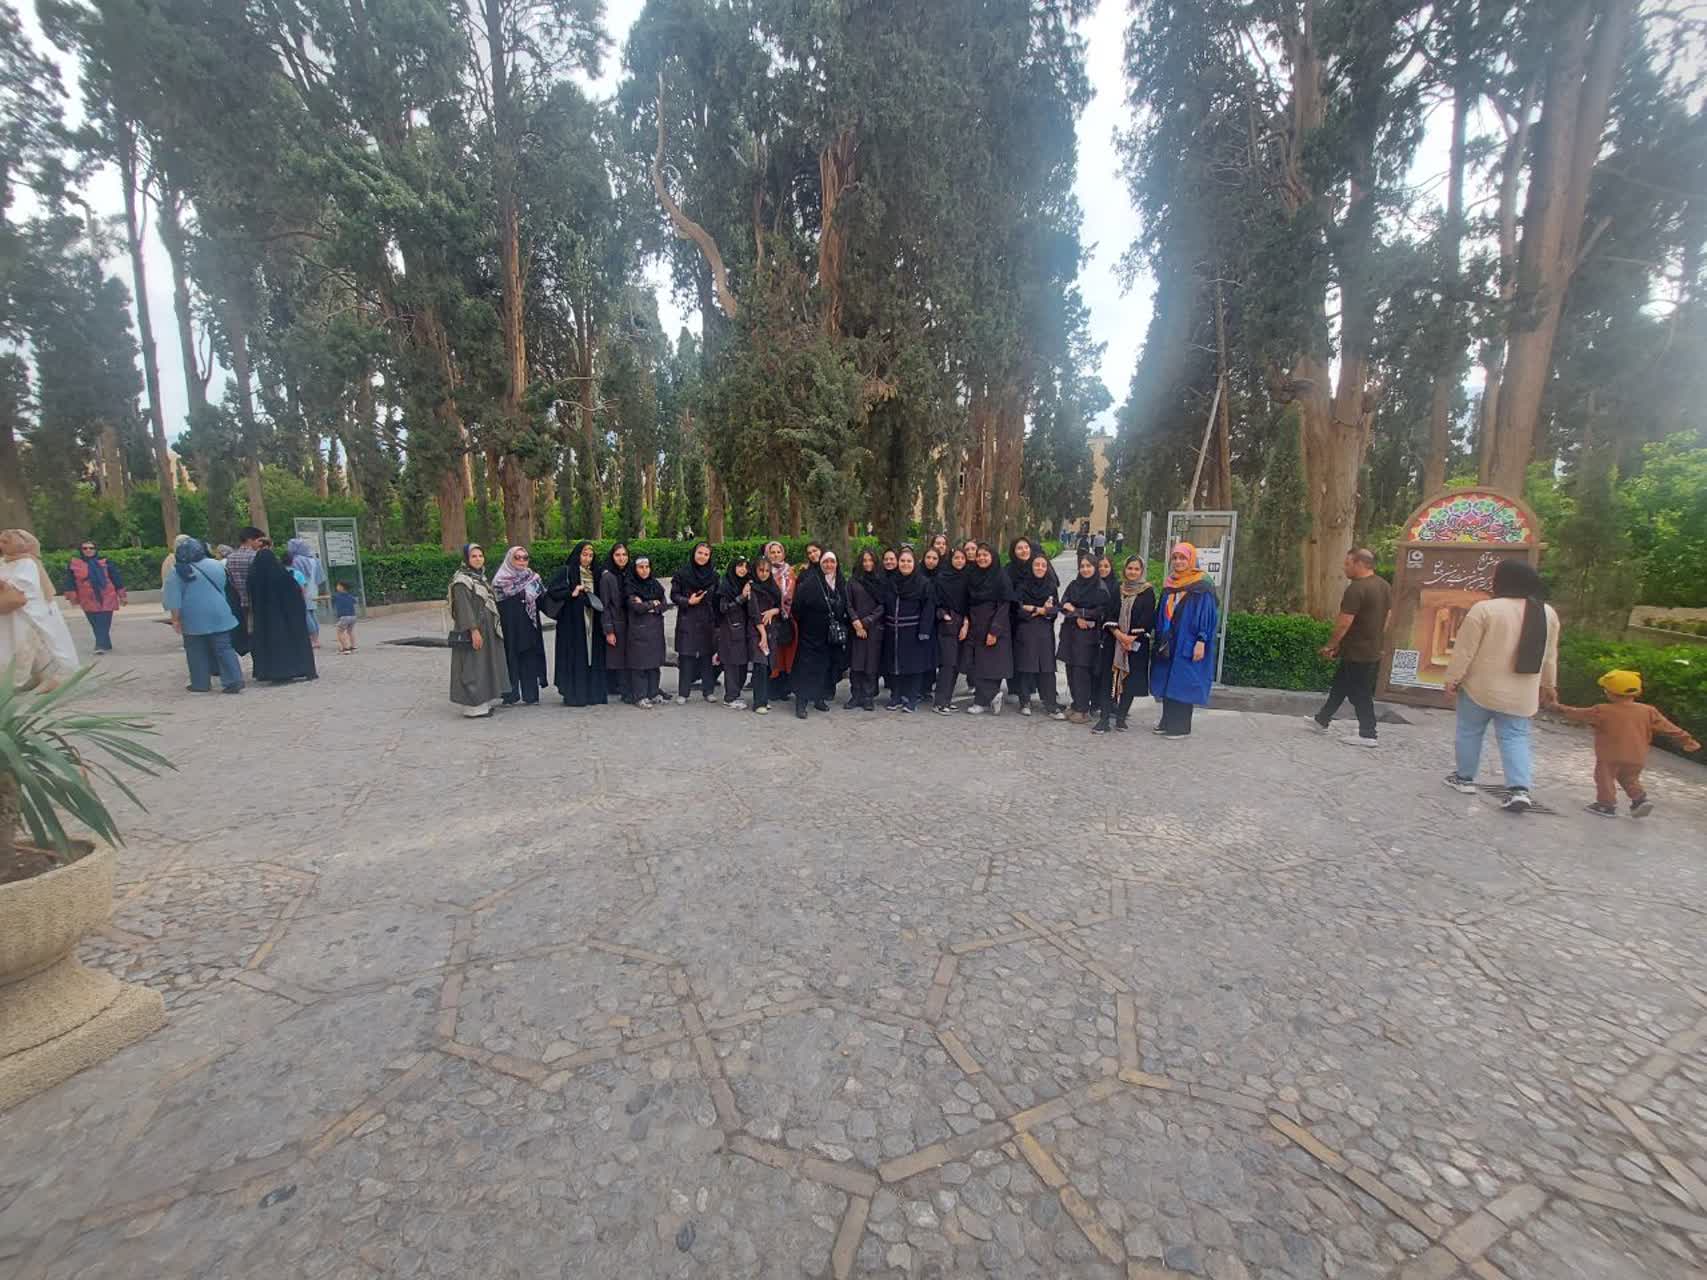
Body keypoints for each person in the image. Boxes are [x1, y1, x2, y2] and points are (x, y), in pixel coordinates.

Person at [1441, 559, 1560, 812]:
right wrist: (1549, 685)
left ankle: (1464, 778)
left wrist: (1452, 679)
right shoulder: (1546, 613)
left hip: (1480, 688)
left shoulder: (1485, 609)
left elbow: (1465, 650)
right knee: (1515, 737)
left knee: (1470, 731)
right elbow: (1549, 655)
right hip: (1522, 692)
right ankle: (1519, 790)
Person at [1549, 669, 1700, 818]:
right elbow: (1670, 728)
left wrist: (1558, 707)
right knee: (1629, 779)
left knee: (1604, 777)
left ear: (1609, 692)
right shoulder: (1648, 711)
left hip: (1610, 756)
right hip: (1637, 756)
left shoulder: (1602, 710)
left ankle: (1606, 805)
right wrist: (1687, 740)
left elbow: (1577, 714)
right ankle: (1640, 800)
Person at [1307, 548, 1392, 747]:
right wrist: (1377, 638)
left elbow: (1344, 623)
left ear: (1359, 564)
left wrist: (1331, 645)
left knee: (1359, 693)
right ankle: (1321, 720)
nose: (1344, 568)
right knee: (1340, 686)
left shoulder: (1356, 589)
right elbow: (1388, 616)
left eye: (1348, 564)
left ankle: (1368, 733)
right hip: (1370, 648)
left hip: (1357, 652)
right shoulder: (1384, 585)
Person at [1149, 542, 1218, 739]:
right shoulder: (1170, 584)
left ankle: (1180, 726)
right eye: (1175, 558)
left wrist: (1201, 641)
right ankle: (1167, 721)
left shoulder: (1202, 586)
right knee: (1167, 680)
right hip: (1169, 641)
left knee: (1183, 682)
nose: (1178, 562)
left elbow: (1207, 616)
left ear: (1191, 560)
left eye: (1183, 558)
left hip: (1189, 640)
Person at [0, 529, 80, 692]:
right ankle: (36, 678)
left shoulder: (27, 562)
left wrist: (4, 584)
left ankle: (52, 678)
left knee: (30, 644)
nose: (2, 544)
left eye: (6, 541)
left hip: (26, 613)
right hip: (10, 613)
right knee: (23, 646)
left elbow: (25, 587)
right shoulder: (5, 561)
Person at [161, 539, 245, 694]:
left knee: (195, 650)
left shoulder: (177, 572)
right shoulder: (216, 565)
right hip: (219, 611)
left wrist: (175, 619)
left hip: (193, 616)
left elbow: (174, 599)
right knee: (224, 648)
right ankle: (234, 680)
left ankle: (200, 683)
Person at [1094, 555, 1157, 734]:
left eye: (1136, 569)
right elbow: (1109, 614)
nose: (1133, 572)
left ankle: (1121, 718)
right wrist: (1119, 635)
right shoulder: (1118, 589)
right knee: (1108, 680)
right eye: (1130, 568)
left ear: (1142, 571)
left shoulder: (1147, 591)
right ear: (1124, 569)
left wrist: (1131, 638)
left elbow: (1148, 617)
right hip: (1114, 642)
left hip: (1135, 644)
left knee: (1129, 682)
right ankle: (1104, 719)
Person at [447, 544, 508, 718]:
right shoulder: (461, 581)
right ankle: (473, 708)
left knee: (483, 666)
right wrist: (473, 630)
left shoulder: (480, 578)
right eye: (473, 556)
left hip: (486, 630)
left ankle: (483, 703)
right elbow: (464, 608)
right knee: (472, 667)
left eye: (480, 555)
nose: (478, 559)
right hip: (473, 630)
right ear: (466, 559)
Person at [545, 540, 607, 707]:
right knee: (576, 655)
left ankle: (593, 694)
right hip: (572, 623)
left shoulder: (596, 573)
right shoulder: (567, 571)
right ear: (577, 555)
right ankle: (575, 694)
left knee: (592, 655)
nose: (587, 558)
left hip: (593, 621)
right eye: (584, 555)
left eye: (590, 555)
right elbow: (552, 591)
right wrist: (572, 592)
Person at [248, 542, 317, 684]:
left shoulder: (254, 575)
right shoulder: (282, 575)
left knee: (267, 643)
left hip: (264, 618)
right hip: (286, 618)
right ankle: (295, 669)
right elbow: (295, 595)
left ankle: (268, 672)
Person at [791, 549, 848, 719]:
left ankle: (819, 698)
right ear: (820, 564)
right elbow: (797, 607)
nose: (829, 565)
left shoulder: (840, 581)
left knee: (824, 667)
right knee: (806, 668)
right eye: (825, 562)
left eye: (832, 562)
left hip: (829, 635)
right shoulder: (811, 581)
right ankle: (801, 702)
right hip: (810, 633)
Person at [491, 545, 547, 706]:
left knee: (529, 657)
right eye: (517, 557)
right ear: (509, 559)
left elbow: (544, 600)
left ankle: (531, 695)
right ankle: (510, 695)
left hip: (529, 624)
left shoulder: (533, 578)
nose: (522, 561)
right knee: (510, 657)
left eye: (525, 558)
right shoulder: (500, 582)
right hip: (509, 626)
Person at [881, 547, 935, 713]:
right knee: (895, 666)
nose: (905, 564)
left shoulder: (923, 583)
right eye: (902, 561)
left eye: (909, 561)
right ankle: (896, 696)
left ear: (914, 563)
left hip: (913, 631)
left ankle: (912, 698)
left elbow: (928, 608)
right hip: (893, 630)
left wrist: (924, 630)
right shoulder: (892, 582)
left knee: (914, 667)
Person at [1058, 555, 1108, 724]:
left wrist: (1075, 611)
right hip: (1070, 633)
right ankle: (1075, 703)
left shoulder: (1100, 589)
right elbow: (1063, 605)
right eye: (1082, 566)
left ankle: (1083, 709)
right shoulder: (1074, 585)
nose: (1085, 569)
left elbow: (1099, 612)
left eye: (1089, 566)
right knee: (1070, 669)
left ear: (1095, 567)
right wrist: (1078, 615)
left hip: (1087, 637)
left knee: (1081, 672)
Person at [965, 542, 1012, 715]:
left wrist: (994, 630)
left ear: (993, 557)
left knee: (991, 665)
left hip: (994, 625)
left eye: (985, 555)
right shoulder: (974, 575)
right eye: (979, 555)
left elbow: (1004, 605)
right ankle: (991, 697)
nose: (981, 558)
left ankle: (983, 701)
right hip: (976, 625)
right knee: (977, 664)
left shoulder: (1000, 577)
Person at [1013, 553, 1062, 718]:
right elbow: (1018, 609)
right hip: (1026, 629)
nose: (1040, 568)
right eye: (1036, 565)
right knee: (1026, 666)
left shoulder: (1051, 586)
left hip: (1045, 630)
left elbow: (1055, 609)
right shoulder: (1022, 585)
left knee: (1047, 668)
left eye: (1043, 565)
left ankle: (1050, 704)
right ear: (1031, 567)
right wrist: (1039, 609)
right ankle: (1025, 701)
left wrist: (1037, 609)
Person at [672, 541, 719, 703]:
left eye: (706, 554)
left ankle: (708, 691)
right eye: (700, 553)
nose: (702, 557)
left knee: (707, 656)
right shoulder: (682, 573)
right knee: (686, 656)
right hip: (688, 618)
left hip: (707, 619)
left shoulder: (714, 576)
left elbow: (717, 599)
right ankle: (683, 693)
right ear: (694, 553)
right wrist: (688, 601)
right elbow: (674, 595)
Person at [61, 539, 126, 654]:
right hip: (87, 598)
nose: (88, 550)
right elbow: (70, 581)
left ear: (96, 550)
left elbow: (116, 578)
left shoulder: (105, 562)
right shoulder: (75, 564)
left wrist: (122, 595)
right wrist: (72, 596)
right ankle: (106, 643)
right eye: (85, 548)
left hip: (107, 596)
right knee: (95, 623)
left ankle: (100, 645)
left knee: (104, 622)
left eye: (91, 548)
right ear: (81, 550)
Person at [932, 545, 972, 714]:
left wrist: (966, 623)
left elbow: (970, 603)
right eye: (956, 558)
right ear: (951, 559)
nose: (959, 561)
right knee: (947, 664)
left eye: (962, 558)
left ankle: (947, 700)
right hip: (947, 625)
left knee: (955, 664)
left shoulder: (968, 578)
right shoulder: (942, 578)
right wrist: (944, 616)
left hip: (962, 625)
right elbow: (935, 602)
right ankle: (939, 702)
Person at [625, 555, 668, 707]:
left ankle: (653, 693)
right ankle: (640, 696)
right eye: (640, 567)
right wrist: (652, 603)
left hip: (655, 630)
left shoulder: (655, 584)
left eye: (647, 567)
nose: (644, 570)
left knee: (654, 665)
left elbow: (664, 604)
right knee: (640, 666)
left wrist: (648, 605)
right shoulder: (630, 585)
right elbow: (636, 607)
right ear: (635, 569)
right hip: (639, 630)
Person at [845, 549, 885, 711]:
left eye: (871, 560)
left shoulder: (881, 581)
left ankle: (868, 697)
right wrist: (856, 622)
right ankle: (856, 696)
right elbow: (848, 603)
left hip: (874, 629)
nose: (868, 564)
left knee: (871, 664)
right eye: (864, 560)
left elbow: (883, 605)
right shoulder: (853, 581)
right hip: (855, 629)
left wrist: (867, 621)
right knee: (856, 664)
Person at [713, 555, 754, 710]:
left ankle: (735, 693)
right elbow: (723, 608)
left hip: (744, 630)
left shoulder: (748, 583)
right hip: (730, 630)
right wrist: (742, 597)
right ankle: (730, 697)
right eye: (739, 566)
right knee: (732, 664)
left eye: (745, 566)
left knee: (742, 664)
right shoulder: (726, 585)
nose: (743, 569)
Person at [598, 542, 633, 704]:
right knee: (619, 659)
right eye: (618, 555)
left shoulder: (630, 573)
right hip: (616, 622)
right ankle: (623, 691)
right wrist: (609, 630)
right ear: (612, 557)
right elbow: (604, 605)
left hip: (631, 622)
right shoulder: (607, 577)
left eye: (624, 555)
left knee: (630, 657)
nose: (621, 558)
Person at [748, 555, 783, 715]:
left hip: (771, 631)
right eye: (761, 570)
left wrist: (774, 611)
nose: (763, 574)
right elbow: (754, 612)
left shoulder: (773, 587)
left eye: (767, 571)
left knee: (769, 666)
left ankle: (764, 698)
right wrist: (762, 634)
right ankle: (759, 702)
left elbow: (781, 606)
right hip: (757, 631)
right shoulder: (752, 587)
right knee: (760, 665)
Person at [286, 537, 327, 648]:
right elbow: (320, 578)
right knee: (312, 613)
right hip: (313, 589)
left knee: (306, 614)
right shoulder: (313, 559)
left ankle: (312, 639)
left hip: (303, 589)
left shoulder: (296, 560)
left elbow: (296, 576)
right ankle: (316, 638)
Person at [225, 528, 263, 609]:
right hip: (257, 601)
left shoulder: (230, 558)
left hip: (239, 601)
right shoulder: (256, 556)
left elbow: (231, 581)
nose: (261, 543)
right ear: (249, 540)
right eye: (259, 540)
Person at [332, 581, 358, 653]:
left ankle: (345, 648)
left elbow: (327, 597)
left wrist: (315, 598)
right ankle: (353, 646)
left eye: (338, 586)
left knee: (340, 632)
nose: (337, 587)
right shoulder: (350, 596)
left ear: (341, 587)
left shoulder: (337, 596)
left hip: (344, 617)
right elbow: (355, 602)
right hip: (353, 616)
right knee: (350, 631)